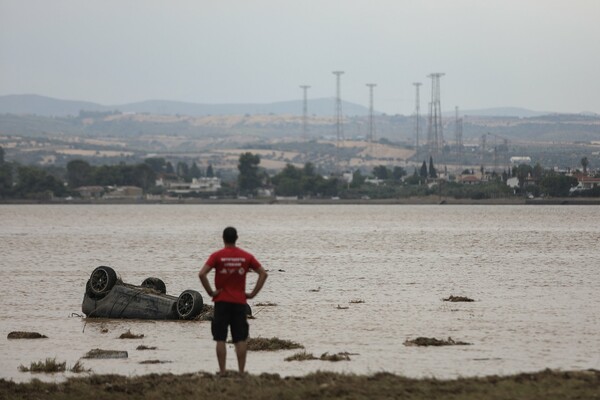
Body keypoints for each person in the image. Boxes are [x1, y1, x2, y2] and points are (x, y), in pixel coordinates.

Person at [198, 226, 268, 375]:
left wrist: (211, 292)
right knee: (240, 338)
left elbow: (202, 274)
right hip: (239, 302)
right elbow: (263, 273)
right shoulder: (246, 256)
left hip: (221, 302)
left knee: (220, 338)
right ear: (236, 238)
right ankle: (241, 372)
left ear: (223, 239)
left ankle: (222, 372)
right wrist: (253, 293)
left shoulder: (217, 256)